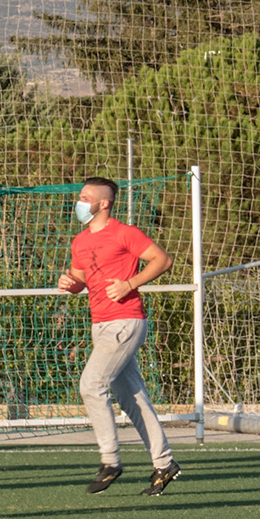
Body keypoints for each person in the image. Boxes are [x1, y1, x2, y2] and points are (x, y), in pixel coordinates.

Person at [57, 177, 180, 494]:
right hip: (100, 324)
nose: (79, 202)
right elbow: (80, 281)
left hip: (125, 321)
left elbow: (163, 260)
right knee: (132, 397)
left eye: (86, 197)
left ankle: (110, 461)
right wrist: (71, 284)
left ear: (104, 203)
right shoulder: (79, 241)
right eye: (80, 196)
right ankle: (164, 463)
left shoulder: (125, 232)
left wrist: (130, 284)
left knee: (91, 384)